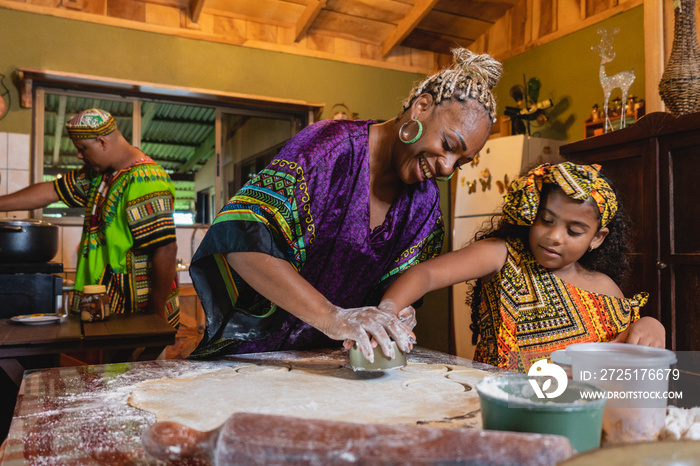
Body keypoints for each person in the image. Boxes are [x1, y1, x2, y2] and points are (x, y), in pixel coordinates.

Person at [189, 48, 502, 362]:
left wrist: (396, 313)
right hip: (255, 356)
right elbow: (241, 241)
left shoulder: (425, 204)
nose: (447, 168)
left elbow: (398, 287)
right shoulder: (330, 149)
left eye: (460, 163)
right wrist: (332, 317)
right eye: (448, 146)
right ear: (421, 107)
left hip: (330, 365)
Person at [380, 162, 665, 372]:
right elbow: (424, 273)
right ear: (530, 214)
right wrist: (386, 315)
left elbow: (619, 354)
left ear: (597, 238)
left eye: (574, 231)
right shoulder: (503, 256)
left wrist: (650, 324)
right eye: (546, 220)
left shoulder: (605, 290)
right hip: (498, 409)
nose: (554, 236)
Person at [0, 108, 179, 326]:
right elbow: (51, 191)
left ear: (102, 142)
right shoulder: (101, 174)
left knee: (139, 361)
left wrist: (156, 314)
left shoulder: (146, 179)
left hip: (139, 310)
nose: (79, 155)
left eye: (83, 148)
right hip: (109, 303)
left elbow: (166, 249)